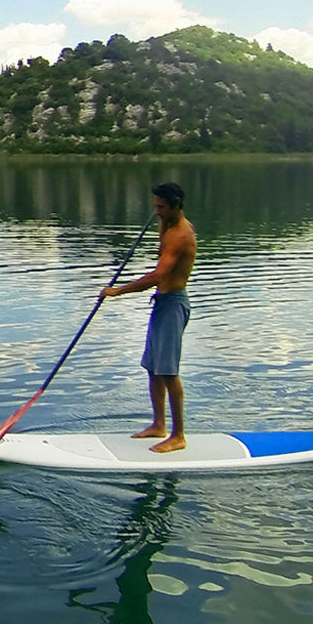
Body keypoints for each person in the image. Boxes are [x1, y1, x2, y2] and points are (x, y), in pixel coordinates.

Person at [101, 182, 196, 453]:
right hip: (162, 302)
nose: (156, 211)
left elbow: (158, 276)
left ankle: (178, 436)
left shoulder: (180, 235)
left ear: (176, 206)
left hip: (173, 306)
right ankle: (159, 425)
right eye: (155, 206)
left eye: (161, 207)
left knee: (168, 371)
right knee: (153, 368)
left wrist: (119, 291)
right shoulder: (165, 225)